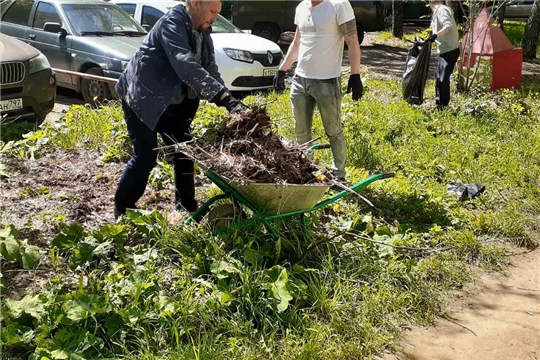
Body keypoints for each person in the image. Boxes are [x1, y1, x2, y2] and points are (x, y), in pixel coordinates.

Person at [114, 0, 246, 218]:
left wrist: (228, 99)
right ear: (195, 3)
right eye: (212, 11)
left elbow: (210, 68)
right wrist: (221, 97)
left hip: (173, 104)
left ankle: (186, 207)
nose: (215, 17)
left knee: (185, 153)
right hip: (142, 98)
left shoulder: (203, 32)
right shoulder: (171, 25)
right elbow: (183, 63)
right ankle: (123, 207)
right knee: (145, 156)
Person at [273, 0, 363, 182]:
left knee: (333, 130)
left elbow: (352, 42)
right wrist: (283, 69)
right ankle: (307, 171)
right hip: (300, 79)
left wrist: (356, 74)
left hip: (327, 81)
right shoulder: (301, 7)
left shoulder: (339, 5)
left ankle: (339, 175)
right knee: (301, 132)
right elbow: (297, 43)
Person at [427, 0, 460, 110]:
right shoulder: (439, 11)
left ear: (432, 3)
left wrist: (435, 36)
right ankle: (439, 105)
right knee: (438, 78)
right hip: (445, 50)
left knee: (442, 79)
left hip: (450, 50)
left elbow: (448, 26)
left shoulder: (442, 10)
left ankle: (443, 107)